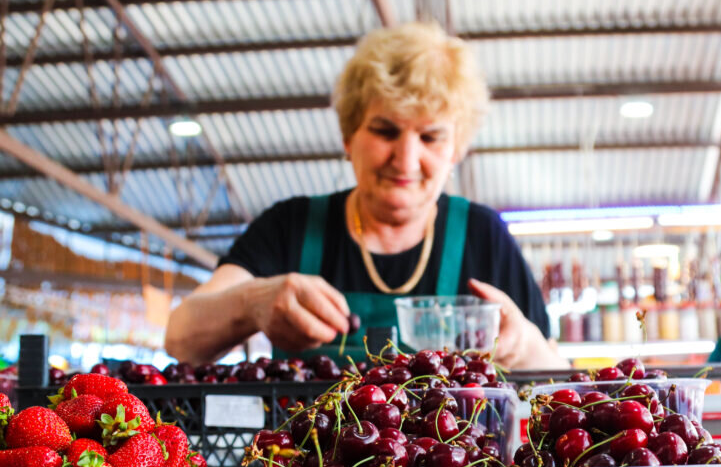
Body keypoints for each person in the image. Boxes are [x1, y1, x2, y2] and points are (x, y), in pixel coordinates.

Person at [166, 22, 565, 370]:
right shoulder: (291, 226)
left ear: (456, 149)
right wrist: (250, 303)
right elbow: (180, 339)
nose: (406, 160)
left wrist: (523, 346)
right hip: (301, 458)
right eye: (385, 131)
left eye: (430, 136)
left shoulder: (482, 235)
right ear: (348, 135)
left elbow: (557, 374)